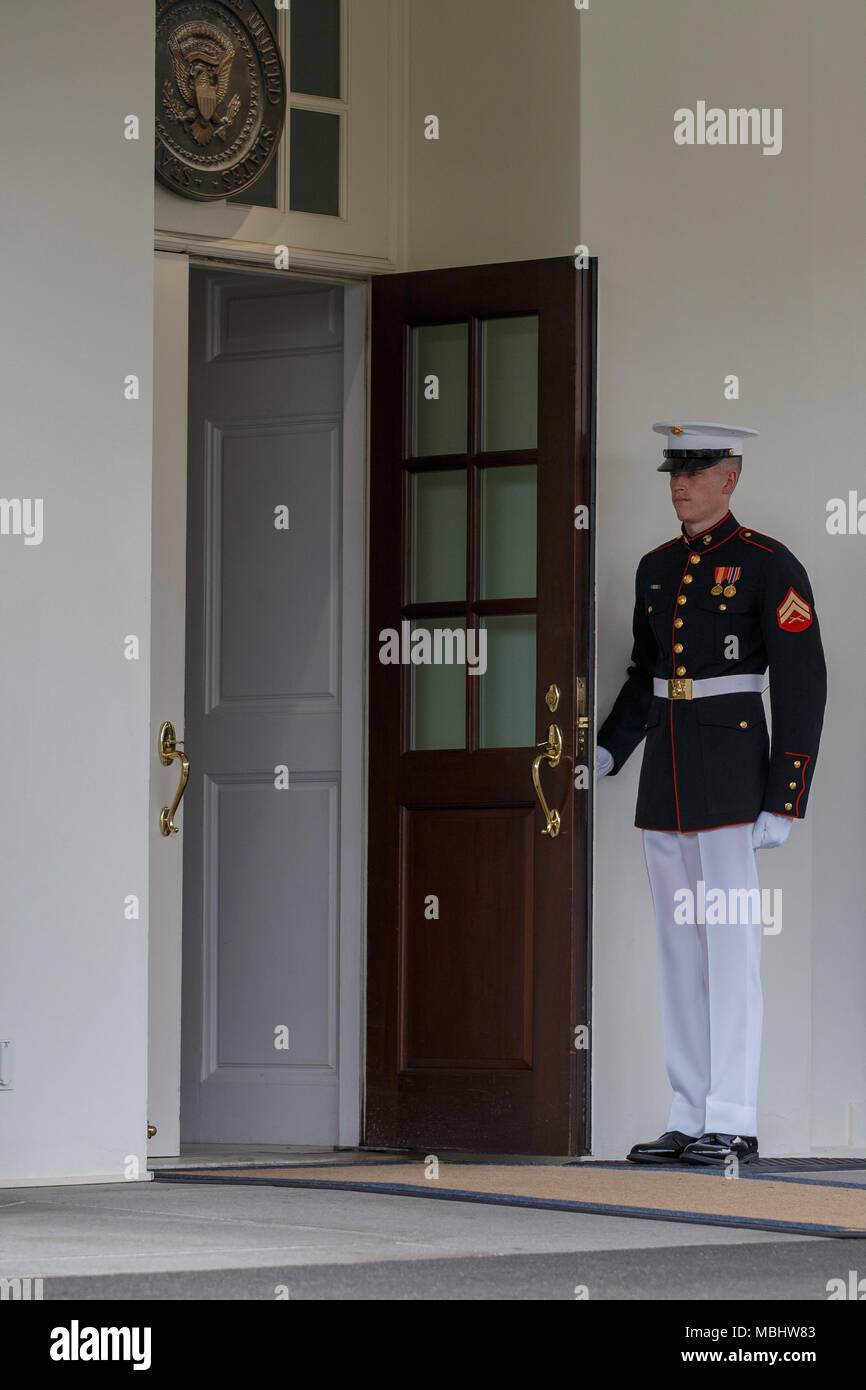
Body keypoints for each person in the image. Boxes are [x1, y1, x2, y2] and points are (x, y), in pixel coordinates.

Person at [596, 422, 827, 1166]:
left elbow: (801, 680)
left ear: (730, 477)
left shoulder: (767, 564)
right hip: (665, 775)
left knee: (731, 953)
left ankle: (732, 1115)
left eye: (696, 471)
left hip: (733, 778)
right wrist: (606, 749)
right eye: (674, 470)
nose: (680, 483)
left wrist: (785, 793)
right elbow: (646, 673)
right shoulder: (656, 568)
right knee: (679, 952)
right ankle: (689, 1110)